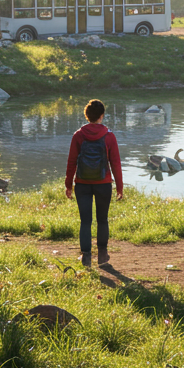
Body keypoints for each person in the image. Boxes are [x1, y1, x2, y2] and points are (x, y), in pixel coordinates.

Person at [65, 99, 124, 267]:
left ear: (87, 116)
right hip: (103, 183)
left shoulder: (78, 135)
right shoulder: (109, 136)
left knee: (85, 221)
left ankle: (86, 257)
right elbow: (116, 163)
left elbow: (71, 162)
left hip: (82, 183)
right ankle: (103, 255)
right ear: (102, 116)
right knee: (102, 220)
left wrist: (68, 185)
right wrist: (119, 186)